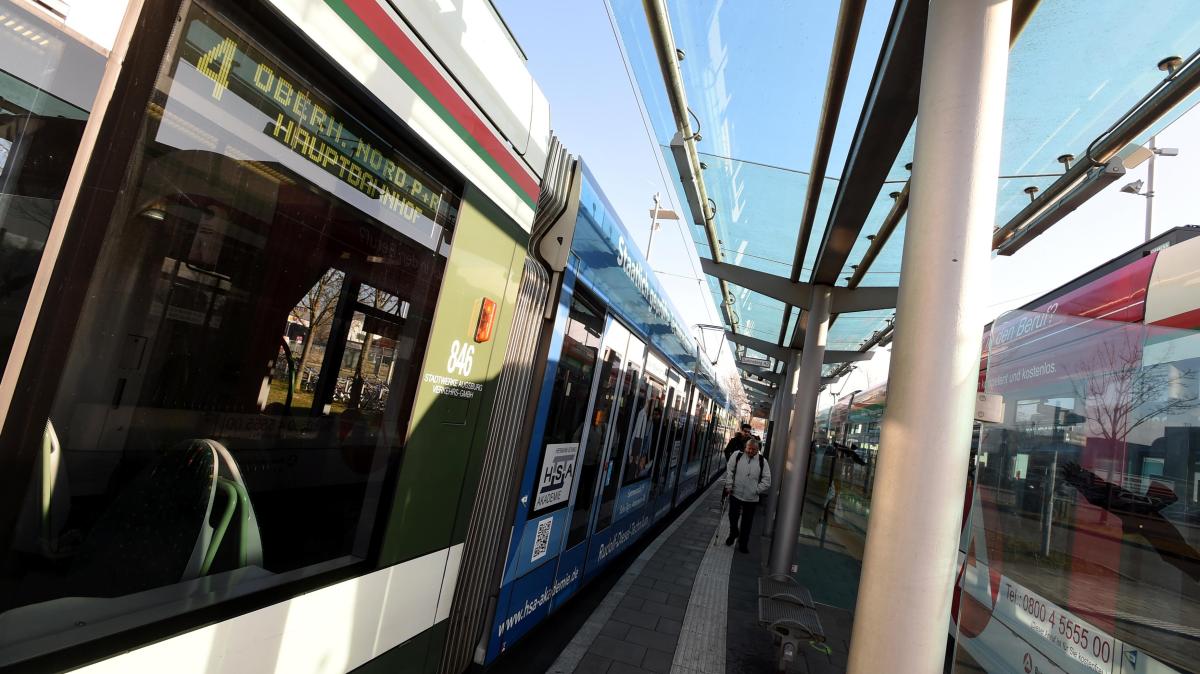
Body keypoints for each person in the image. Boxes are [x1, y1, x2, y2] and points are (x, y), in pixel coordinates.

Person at [723, 437, 771, 553]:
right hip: (736, 493)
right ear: (745, 447)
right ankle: (733, 532)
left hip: (751, 498)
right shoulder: (737, 455)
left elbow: (767, 480)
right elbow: (730, 470)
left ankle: (743, 544)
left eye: (754, 450)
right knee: (732, 516)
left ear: (757, 450)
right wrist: (729, 485)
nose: (750, 451)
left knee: (747, 523)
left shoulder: (762, 461)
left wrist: (756, 490)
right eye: (749, 449)